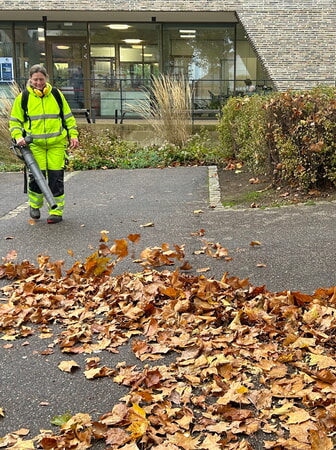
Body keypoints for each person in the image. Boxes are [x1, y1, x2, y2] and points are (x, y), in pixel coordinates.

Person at [9, 64, 79, 224]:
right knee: (36, 177)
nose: (38, 83)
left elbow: (68, 117)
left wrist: (73, 135)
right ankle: (35, 205)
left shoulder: (55, 94)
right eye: (35, 80)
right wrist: (18, 136)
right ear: (30, 80)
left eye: (41, 79)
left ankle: (56, 211)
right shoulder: (24, 98)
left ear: (46, 79)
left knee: (56, 178)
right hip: (34, 145)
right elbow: (14, 121)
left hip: (56, 144)